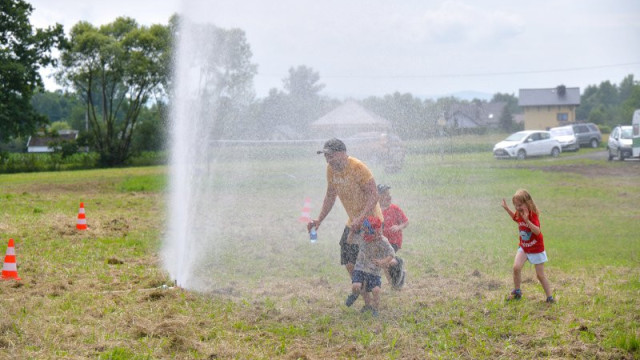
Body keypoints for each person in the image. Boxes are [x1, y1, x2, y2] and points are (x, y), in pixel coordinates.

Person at [308, 138, 383, 280]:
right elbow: (330, 196)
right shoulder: (330, 169)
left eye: (331, 156)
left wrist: (361, 219)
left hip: (371, 220)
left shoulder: (358, 167)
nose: (328, 160)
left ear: (342, 153)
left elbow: (374, 195)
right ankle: (362, 290)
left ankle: (393, 267)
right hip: (353, 221)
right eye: (326, 157)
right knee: (348, 261)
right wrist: (319, 220)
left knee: (371, 261)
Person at [501, 189, 555, 303]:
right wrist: (507, 209)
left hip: (536, 248)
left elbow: (537, 231)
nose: (517, 208)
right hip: (525, 247)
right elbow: (516, 218)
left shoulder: (532, 215)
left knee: (540, 275)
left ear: (528, 203)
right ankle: (517, 292)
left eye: (519, 205)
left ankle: (550, 297)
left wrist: (527, 220)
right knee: (516, 267)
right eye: (515, 205)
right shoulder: (520, 214)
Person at [344, 216, 396, 316]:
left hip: (374, 271)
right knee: (356, 286)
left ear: (378, 232)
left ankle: (375, 309)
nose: (369, 239)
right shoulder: (363, 236)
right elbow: (349, 241)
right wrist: (351, 231)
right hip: (360, 268)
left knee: (376, 290)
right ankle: (355, 294)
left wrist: (383, 261)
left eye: (371, 236)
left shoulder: (383, 241)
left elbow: (391, 253)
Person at [377, 184, 409, 253]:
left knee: (386, 256)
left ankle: (397, 262)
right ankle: (395, 262)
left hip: (393, 241)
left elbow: (406, 222)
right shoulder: (375, 210)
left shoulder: (394, 209)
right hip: (380, 241)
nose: (388, 196)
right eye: (385, 194)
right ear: (378, 197)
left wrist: (398, 227)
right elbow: (367, 222)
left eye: (389, 193)